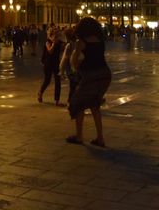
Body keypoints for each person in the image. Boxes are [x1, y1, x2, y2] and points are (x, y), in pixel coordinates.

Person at [66, 17, 111, 147]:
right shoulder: (101, 41)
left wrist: (76, 65)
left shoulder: (82, 41)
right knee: (94, 105)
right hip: (105, 74)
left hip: (91, 76)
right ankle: (100, 138)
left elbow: (74, 61)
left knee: (78, 103)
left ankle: (79, 136)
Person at [38, 27, 64, 106]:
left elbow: (62, 51)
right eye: (55, 35)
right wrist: (53, 43)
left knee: (58, 81)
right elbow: (50, 51)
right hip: (48, 63)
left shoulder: (59, 42)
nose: (56, 36)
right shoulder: (48, 42)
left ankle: (57, 100)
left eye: (57, 35)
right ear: (51, 35)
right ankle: (40, 92)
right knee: (47, 80)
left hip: (56, 63)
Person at [59, 27, 79, 105]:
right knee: (75, 86)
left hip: (70, 69)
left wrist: (61, 71)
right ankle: (71, 102)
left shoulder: (69, 45)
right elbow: (65, 58)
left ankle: (71, 101)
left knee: (73, 86)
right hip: (76, 69)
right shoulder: (77, 44)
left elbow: (64, 59)